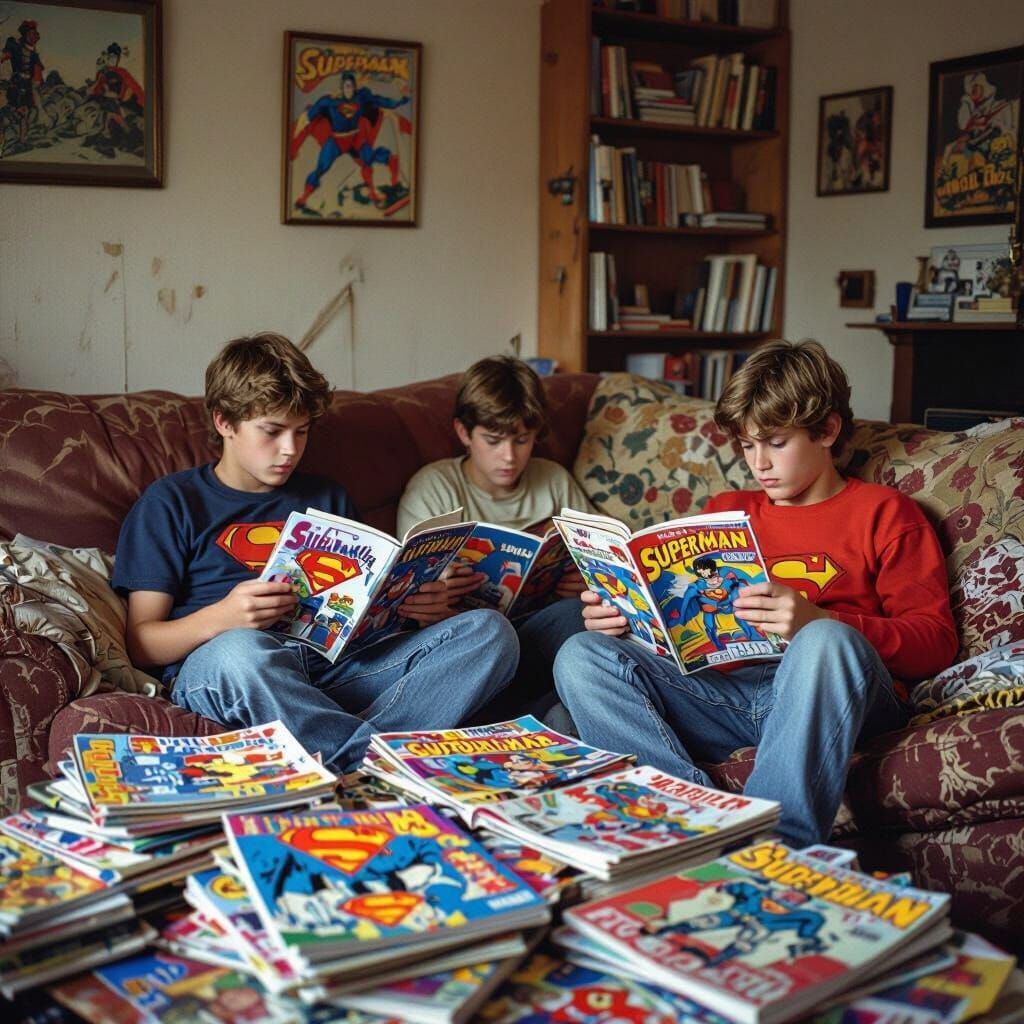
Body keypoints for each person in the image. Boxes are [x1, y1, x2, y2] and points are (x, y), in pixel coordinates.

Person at [553, 340, 958, 847]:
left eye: (776, 441)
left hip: (833, 692)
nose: (759, 463)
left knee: (824, 643)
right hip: (726, 697)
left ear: (828, 430)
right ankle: (684, 823)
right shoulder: (727, 508)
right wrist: (623, 616)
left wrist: (817, 621)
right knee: (582, 654)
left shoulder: (885, 513)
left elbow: (935, 643)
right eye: (747, 445)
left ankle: (771, 846)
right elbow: (683, 614)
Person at [112, 333, 518, 774]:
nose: (290, 449)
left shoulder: (326, 495)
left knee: (490, 632)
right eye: (272, 431)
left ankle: (349, 752)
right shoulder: (171, 502)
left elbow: (363, 608)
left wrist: (414, 606)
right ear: (225, 422)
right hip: (233, 667)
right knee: (240, 651)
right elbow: (140, 642)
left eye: (301, 432)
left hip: (336, 666)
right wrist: (221, 618)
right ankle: (375, 760)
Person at [398, 355, 595, 729]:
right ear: (463, 432)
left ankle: (544, 718)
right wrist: (436, 591)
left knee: (579, 617)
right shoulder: (434, 487)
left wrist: (586, 582)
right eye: (493, 440)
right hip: (470, 638)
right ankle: (544, 718)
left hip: (538, 633)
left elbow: (600, 555)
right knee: (487, 630)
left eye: (522, 440)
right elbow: (407, 591)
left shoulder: (552, 479)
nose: (510, 456)